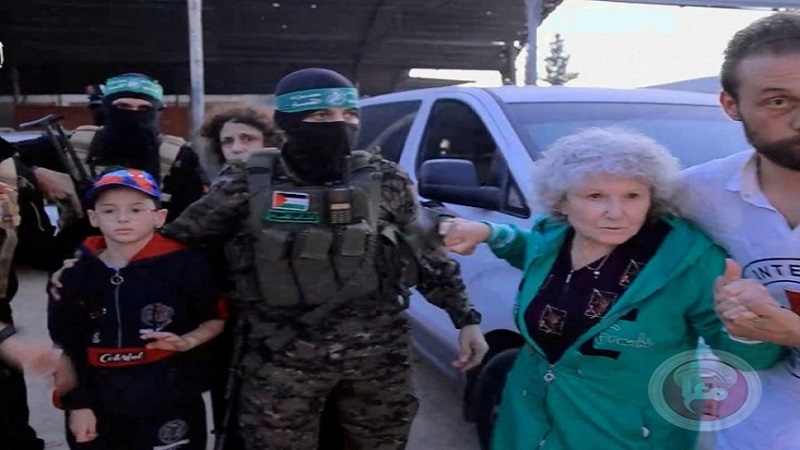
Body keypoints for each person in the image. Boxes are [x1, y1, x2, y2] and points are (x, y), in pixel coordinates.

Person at [157, 67, 488, 449]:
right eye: (321, 115)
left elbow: (425, 250)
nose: (339, 125)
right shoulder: (248, 180)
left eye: (349, 114)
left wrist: (466, 319)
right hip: (281, 359)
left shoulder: (384, 178)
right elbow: (181, 245)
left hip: (377, 358)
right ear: (287, 121)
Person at [439, 126, 784, 450]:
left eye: (632, 196)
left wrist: (748, 325)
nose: (616, 213)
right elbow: (531, 253)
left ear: (651, 197)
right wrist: (491, 232)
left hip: (625, 435)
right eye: (595, 196)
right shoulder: (554, 236)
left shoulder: (689, 261)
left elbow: (750, 359)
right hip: (526, 420)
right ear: (562, 202)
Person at [680, 11, 800, 449]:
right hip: (752, 436)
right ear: (731, 105)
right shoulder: (694, 194)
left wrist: (792, 333)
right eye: (778, 101)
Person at [48, 168, 226, 450]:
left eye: (136, 209)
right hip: (98, 400)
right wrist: (77, 405)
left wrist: (187, 341)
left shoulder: (186, 266)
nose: (122, 218)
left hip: (169, 400)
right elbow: (65, 346)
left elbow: (216, 319)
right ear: (93, 217)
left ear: (159, 216)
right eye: (109, 210)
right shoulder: (75, 275)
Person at [25, 72, 208, 268]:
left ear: (158, 111)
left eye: (144, 108)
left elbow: (193, 220)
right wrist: (36, 174)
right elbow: (8, 157)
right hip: (77, 258)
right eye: (123, 106)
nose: (133, 114)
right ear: (106, 107)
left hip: (153, 261)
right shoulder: (74, 145)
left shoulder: (179, 156)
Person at [197, 105, 284, 450]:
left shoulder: (290, 188)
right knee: (229, 408)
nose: (236, 148)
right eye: (228, 141)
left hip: (281, 322)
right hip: (229, 318)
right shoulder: (216, 192)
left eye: (248, 138)